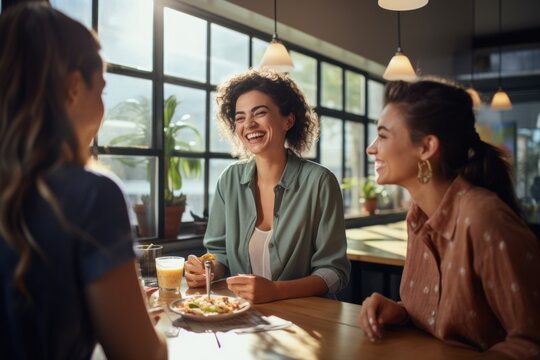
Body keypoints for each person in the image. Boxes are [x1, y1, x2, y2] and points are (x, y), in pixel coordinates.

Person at [0, 3, 167, 359]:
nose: (103, 108)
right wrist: (147, 325)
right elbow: (143, 355)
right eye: (102, 90)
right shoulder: (92, 195)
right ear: (74, 88)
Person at [359, 78, 540, 358]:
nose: (371, 148)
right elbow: (439, 319)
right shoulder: (417, 218)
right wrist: (400, 312)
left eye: (382, 136)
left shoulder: (483, 217)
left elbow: (531, 342)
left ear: (427, 147)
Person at [185, 69, 350, 304]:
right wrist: (207, 270)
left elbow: (334, 273)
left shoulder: (320, 182)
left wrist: (275, 291)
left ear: (288, 120)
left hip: (309, 318)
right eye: (240, 117)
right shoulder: (229, 180)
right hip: (244, 315)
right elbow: (219, 253)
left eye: (259, 113)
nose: (249, 124)